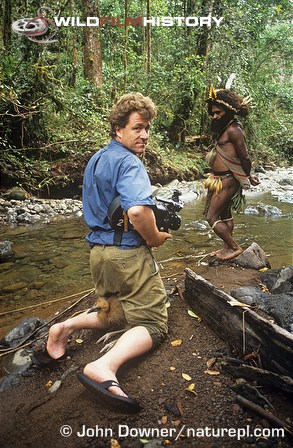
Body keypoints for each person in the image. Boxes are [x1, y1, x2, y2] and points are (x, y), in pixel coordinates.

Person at [32, 93, 172, 412]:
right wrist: (153, 238)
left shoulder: (97, 159)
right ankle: (104, 366)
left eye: (147, 128)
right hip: (126, 254)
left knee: (113, 309)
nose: (145, 135)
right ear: (118, 129)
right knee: (154, 323)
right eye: (137, 128)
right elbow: (137, 212)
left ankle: (62, 329)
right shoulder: (129, 162)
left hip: (98, 254)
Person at [203, 87, 260, 261]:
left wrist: (248, 176)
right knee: (224, 214)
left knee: (211, 217)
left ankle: (234, 247)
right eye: (212, 113)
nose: (214, 116)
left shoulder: (234, 129)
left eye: (218, 112)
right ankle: (227, 247)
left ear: (228, 111)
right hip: (218, 179)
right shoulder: (224, 127)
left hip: (228, 179)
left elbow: (244, 156)